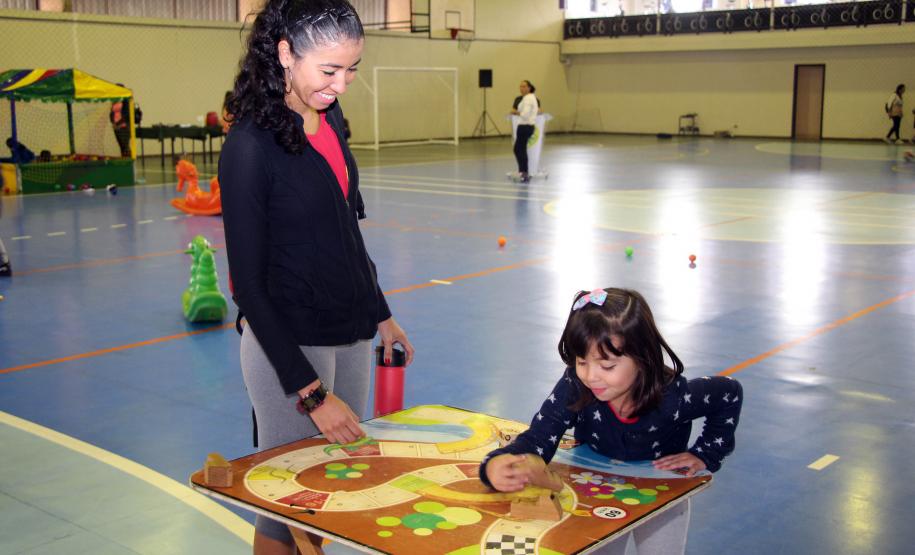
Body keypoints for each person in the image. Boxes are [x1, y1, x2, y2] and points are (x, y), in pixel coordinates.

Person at [218, 1, 415, 553]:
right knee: (286, 508)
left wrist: (381, 312)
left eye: (352, 69)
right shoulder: (249, 148)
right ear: (284, 54)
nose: (342, 84)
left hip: (350, 332)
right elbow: (249, 288)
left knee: (331, 491)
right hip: (289, 344)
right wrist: (311, 395)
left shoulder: (330, 122)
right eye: (329, 71)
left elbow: (346, 230)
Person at [480, 288, 743, 555]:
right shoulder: (575, 383)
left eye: (607, 366)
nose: (591, 376)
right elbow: (539, 438)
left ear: (643, 358)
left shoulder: (673, 397)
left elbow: (729, 393)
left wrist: (706, 453)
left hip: (661, 495)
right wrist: (497, 463)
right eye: (582, 361)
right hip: (596, 489)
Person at [512, 80, 538, 183]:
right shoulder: (530, 97)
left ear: (529, 88)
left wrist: (515, 112)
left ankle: (524, 173)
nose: (521, 88)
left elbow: (525, 114)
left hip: (525, 127)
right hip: (527, 127)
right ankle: (523, 172)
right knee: (520, 149)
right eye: (520, 86)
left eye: (524, 86)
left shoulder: (528, 98)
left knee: (518, 150)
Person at [110, 88, 142, 157]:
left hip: (124, 126)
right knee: (121, 146)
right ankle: (124, 161)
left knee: (125, 146)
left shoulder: (126, 101)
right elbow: (112, 113)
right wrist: (113, 123)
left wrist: (118, 124)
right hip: (116, 127)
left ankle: (129, 161)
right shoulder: (114, 101)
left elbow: (127, 115)